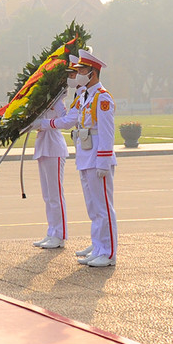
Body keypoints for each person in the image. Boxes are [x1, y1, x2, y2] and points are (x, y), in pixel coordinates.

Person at [65, 51, 116, 268]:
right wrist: (43, 124)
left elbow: (106, 132)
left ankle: (109, 253)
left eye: (82, 71)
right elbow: (69, 120)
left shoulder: (102, 98)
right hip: (85, 156)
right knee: (93, 208)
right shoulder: (85, 96)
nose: (78, 74)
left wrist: (103, 161)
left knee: (104, 207)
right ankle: (98, 247)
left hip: (97, 158)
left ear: (93, 73)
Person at [28, 56, 74, 249]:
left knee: (55, 194)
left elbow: (67, 121)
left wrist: (45, 124)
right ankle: (51, 231)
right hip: (43, 146)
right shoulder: (42, 101)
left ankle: (60, 235)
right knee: (47, 195)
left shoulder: (57, 101)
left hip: (54, 146)